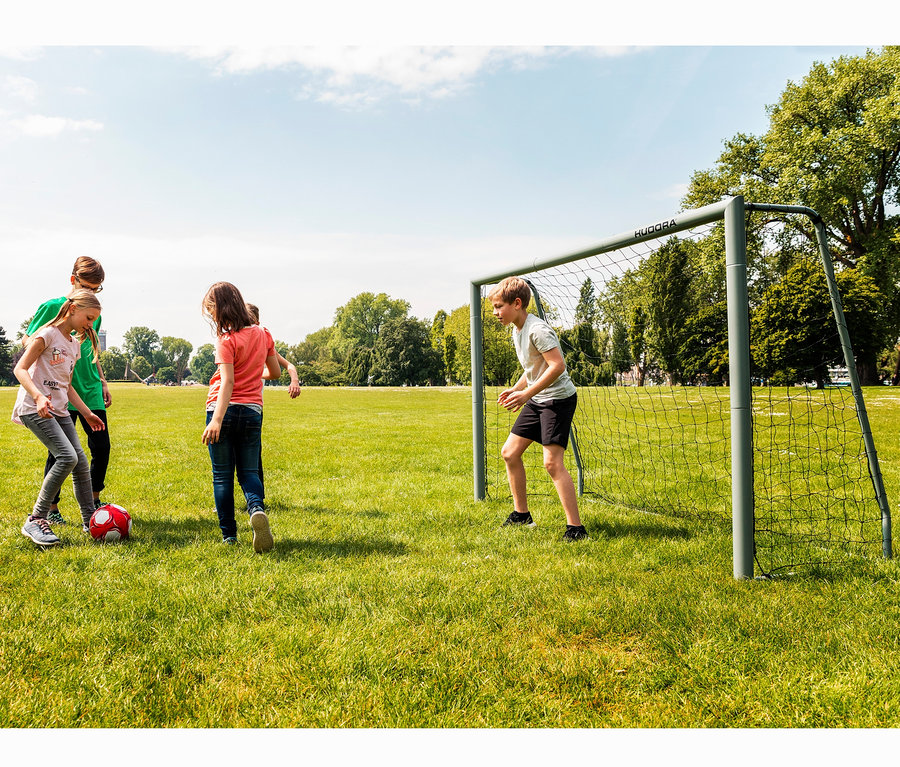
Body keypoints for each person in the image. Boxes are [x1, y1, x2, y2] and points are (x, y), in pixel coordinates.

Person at [489, 276, 588, 541]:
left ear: (517, 303)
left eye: (499, 307)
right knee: (510, 452)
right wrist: (516, 388)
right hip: (536, 398)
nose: (495, 313)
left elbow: (557, 366)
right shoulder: (517, 329)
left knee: (552, 463)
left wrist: (525, 395)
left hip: (557, 400)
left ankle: (576, 529)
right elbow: (533, 369)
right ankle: (522, 516)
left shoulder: (537, 330)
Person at [12, 289, 107, 547]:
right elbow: (20, 369)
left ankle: (91, 522)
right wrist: (39, 396)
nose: (91, 325)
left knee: (80, 463)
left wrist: (87, 413)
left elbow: (66, 386)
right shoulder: (47, 334)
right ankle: (36, 518)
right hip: (35, 408)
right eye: (89, 318)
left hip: (60, 409)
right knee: (67, 457)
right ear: (73, 309)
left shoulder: (74, 345)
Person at [201, 282, 281, 552]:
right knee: (248, 472)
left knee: (222, 476)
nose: (212, 316)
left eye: (211, 310)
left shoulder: (226, 340)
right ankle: (256, 508)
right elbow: (275, 373)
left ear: (221, 309)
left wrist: (216, 419)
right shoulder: (262, 333)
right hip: (252, 411)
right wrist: (253, 375)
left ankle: (229, 536)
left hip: (221, 409)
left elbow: (227, 382)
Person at [246, 302, 301, 498]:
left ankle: (257, 500)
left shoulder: (263, 342)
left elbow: (289, 365)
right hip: (246, 404)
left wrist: (294, 380)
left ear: (258, 322)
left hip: (253, 404)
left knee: (254, 455)